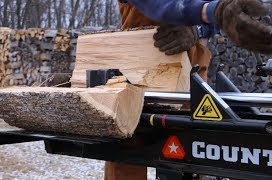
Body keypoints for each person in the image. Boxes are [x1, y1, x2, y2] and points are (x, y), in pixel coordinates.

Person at [105, 0, 272, 179]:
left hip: (191, 61)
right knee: (128, 153)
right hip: (139, 62)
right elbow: (158, 6)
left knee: (194, 153)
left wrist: (198, 30)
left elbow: (212, 19)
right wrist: (211, 11)